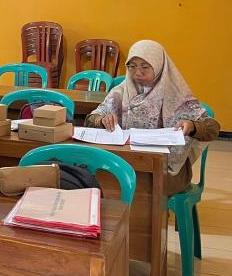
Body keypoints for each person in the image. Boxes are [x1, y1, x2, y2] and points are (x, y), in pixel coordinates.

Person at [85, 40, 219, 195]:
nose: (137, 73)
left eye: (145, 67)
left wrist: (193, 126)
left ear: (159, 66)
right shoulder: (121, 92)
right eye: (132, 66)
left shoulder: (176, 95)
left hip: (167, 168)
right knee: (102, 178)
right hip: (127, 159)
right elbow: (90, 120)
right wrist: (101, 120)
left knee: (134, 184)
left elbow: (212, 128)